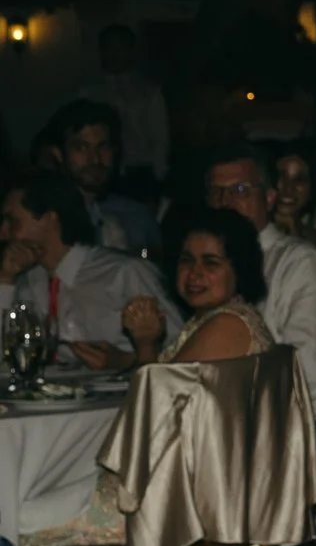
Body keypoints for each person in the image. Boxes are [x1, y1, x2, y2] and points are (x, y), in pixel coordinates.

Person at [14, 209, 272, 546]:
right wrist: (146, 347)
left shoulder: (227, 326)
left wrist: (144, 347)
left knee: (21, 521)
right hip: (187, 489)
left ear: (238, 270)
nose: (194, 274)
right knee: (45, 511)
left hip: (185, 505)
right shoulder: (223, 321)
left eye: (211, 263)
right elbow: (163, 397)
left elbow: (152, 408)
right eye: (186, 261)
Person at [204, 143, 316, 425]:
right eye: (217, 192)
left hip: (304, 429)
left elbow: (311, 371)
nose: (225, 202)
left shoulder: (303, 265)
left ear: (269, 198)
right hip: (241, 421)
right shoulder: (209, 268)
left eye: (239, 191)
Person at [1, 172, 181, 368]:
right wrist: (5, 278)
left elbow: (183, 347)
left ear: (50, 218)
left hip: (123, 396)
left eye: (13, 221)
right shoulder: (25, 279)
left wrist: (128, 361)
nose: (3, 232)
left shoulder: (124, 273)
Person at [44, 99, 160, 256]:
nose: (95, 159)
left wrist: (140, 255)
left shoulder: (135, 215)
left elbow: (150, 258)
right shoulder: (45, 218)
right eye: (81, 148)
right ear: (58, 154)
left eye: (103, 147)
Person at [78, 23, 170, 188]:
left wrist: (159, 177)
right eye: (109, 48)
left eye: (120, 47)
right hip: (102, 171)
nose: (114, 54)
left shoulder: (148, 91)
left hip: (140, 173)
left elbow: (159, 139)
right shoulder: (90, 93)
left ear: (131, 50)